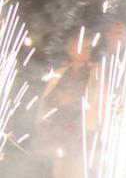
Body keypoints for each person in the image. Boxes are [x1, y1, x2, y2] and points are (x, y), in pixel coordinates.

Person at [35, 33, 100, 178]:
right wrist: (55, 101)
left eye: (88, 47)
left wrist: (72, 100)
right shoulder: (60, 73)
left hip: (81, 137)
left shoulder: (95, 73)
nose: (86, 50)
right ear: (70, 49)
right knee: (57, 173)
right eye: (82, 46)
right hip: (57, 135)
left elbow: (96, 101)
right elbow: (46, 101)